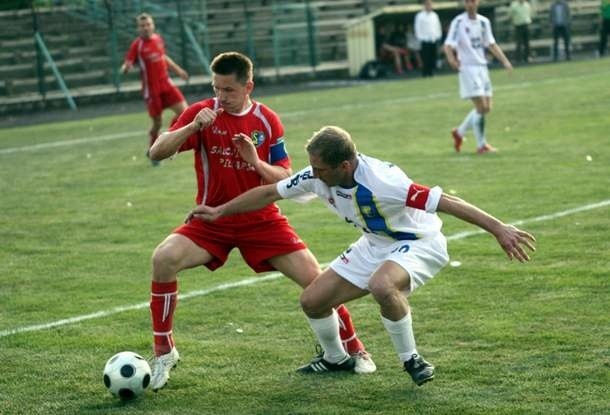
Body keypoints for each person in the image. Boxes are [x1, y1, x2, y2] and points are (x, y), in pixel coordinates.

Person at [187, 125, 536, 385]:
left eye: (321, 169)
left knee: (383, 285)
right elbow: (268, 193)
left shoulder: (384, 182)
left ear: (346, 164)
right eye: (313, 167)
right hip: (375, 242)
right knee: (312, 300)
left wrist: (499, 229)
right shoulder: (318, 176)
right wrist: (219, 212)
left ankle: (411, 359)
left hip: (418, 242)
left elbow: (447, 202)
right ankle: (336, 359)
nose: (314, 175)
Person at [146, 52, 375, 391]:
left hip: (262, 220)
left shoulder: (267, 121)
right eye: (216, 89)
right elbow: (156, 152)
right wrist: (192, 127)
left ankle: (355, 348)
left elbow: (284, 177)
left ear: (248, 86)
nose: (221, 97)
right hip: (212, 218)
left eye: (228, 90)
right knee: (163, 259)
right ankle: (164, 352)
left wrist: (253, 161)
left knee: (316, 281)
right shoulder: (201, 113)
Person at [443, 0, 513, 154]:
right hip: (468, 68)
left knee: (487, 108)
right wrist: (451, 60)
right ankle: (481, 145)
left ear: (478, 2)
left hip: (482, 67)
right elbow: (448, 44)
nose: (470, 4)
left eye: (473, 1)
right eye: (467, 1)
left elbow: (491, 44)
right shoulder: (459, 21)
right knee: (481, 107)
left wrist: (505, 61)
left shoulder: (483, 22)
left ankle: (459, 132)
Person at [121, 13, 189, 166]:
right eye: (142, 26)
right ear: (138, 28)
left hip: (166, 84)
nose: (145, 28)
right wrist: (126, 68)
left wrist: (178, 70)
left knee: (184, 112)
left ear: (153, 25)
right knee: (157, 123)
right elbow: (127, 62)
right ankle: (153, 149)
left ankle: (169, 141)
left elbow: (163, 57)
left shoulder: (158, 39)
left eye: (148, 24)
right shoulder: (137, 45)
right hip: (151, 91)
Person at [414, 0, 442, 77]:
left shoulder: (434, 15)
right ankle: (425, 73)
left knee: (433, 56)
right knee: (426, 57)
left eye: (430, 5)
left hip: (433, 39)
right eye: (428, 5)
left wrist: (438, 35)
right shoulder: (420, 16)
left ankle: (431, 72)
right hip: (425, 39)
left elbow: (437, 26)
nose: (429, 6)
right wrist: (420, 37)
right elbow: (417, 27)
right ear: (425, 5)